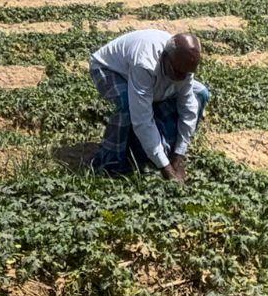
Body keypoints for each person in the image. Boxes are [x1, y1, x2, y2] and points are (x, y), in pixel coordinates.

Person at [88, 30, 212, 183]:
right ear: (165, 58)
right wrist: (166, 168)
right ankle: (110, 164)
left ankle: (160, 150)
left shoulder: (184, 66)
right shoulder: (145, 63)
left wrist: (178, 156)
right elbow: (142, 119)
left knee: (201, 93)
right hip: (109, 69)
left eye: (185, 75)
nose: (180, 79)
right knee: (127, 104)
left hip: (150, 75)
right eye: (177, 73)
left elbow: (188, 109)